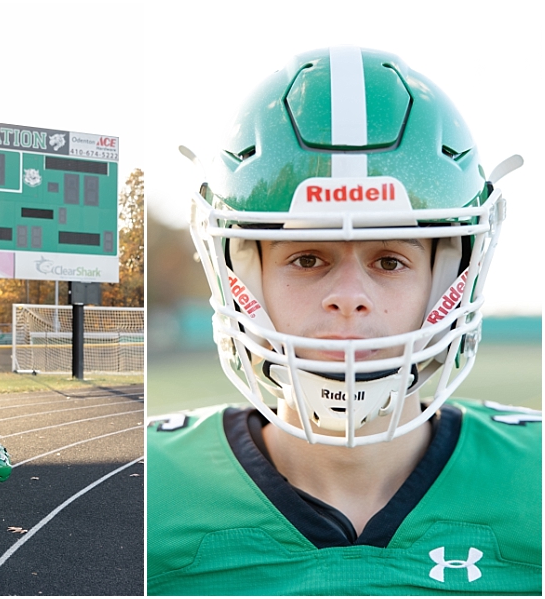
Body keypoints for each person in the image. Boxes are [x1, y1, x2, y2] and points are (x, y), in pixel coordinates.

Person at [147, 47, 541, 595]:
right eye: (307, 258)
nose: (349, 299)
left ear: (451, 276)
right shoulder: (152, 490)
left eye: (389, 260)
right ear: (240, 274)